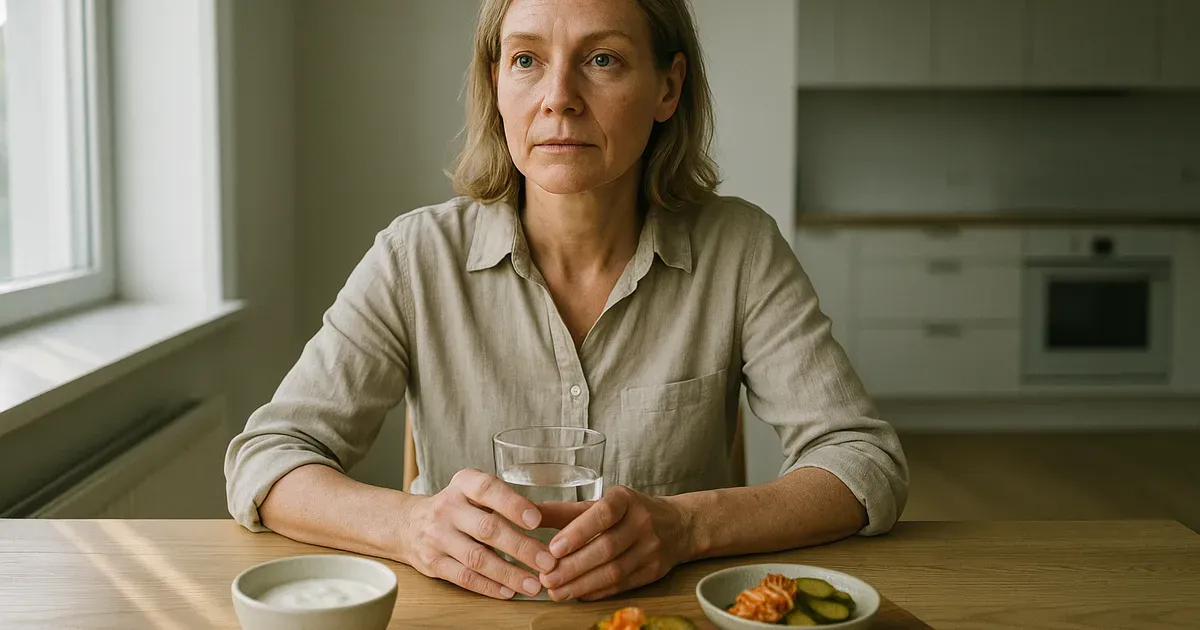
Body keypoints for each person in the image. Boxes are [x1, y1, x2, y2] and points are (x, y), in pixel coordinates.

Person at [225, 0, 908, 604]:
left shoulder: (741, 248)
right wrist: (411, 524)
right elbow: (268, 458)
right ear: (496, 84)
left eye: (602, 59)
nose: (558, 98)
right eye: (525, 59)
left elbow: (861, 461)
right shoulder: (413, 256)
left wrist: (688, 526)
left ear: (667, 87)